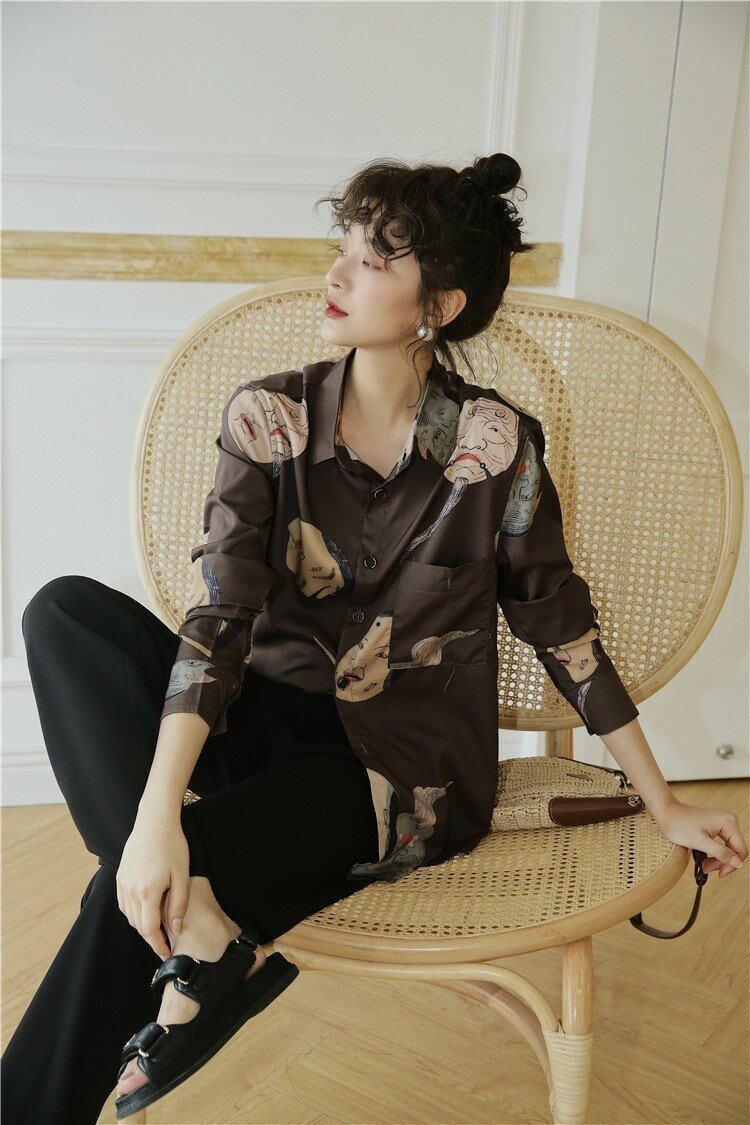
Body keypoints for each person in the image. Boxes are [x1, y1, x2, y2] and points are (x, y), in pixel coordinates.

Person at [2, 153, 746, 1124]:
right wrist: (149, 823)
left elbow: (559, 624)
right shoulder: (268, 419)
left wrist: (664, 799)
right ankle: (200, 931)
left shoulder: (495, 449)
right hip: (254, 720)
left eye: (374, 260)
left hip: (389, 774)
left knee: (134, 890)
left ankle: (173, 954)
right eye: (344, 247)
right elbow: (219, 620)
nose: (337, 274)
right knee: (63, 612)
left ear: (440, 304)